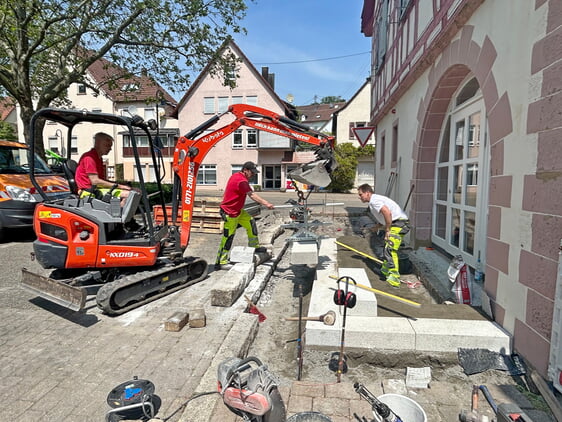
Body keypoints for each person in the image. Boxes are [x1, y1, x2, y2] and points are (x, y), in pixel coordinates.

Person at [215, 161, 275, 271]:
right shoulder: (241, 180)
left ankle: (254, 246)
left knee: (251, 222)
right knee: (228, 237)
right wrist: (266, 203)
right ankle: (221, 262)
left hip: (238, 211)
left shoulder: (238, 177)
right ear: (245, 170)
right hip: (230, 212)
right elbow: (252, 195)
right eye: (252, 173)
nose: (253, 175)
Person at [357, 183, 410, 287]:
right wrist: (377, 227)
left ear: (367, 193)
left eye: (360, 194)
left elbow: (387, 213)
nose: (360, 197)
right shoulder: (374, 200)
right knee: (387, 247)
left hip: (399, 224)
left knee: (390, 248)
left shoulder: (374, 201)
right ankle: (385, 270)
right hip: (398, 222)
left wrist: (387, 230)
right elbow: (385, 217)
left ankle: (394, 278)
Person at [75, 132, 133, 205]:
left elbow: (101, 181)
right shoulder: (89, 158)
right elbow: (95, 181)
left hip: (95, 189)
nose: (110, 148)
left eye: (110, 146)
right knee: (129, 195)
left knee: (135, 191)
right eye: (107, 145)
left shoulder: (99, 158)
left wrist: (119, 184)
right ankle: (120, 215)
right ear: (98, 144)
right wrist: (120, 186)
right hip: (89, 191)